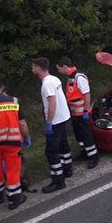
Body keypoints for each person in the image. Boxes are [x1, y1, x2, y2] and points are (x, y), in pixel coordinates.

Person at [31, 57, 72, 193]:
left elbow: (52, 103)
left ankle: (58, 181)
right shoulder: (54, 78)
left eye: (33, 66)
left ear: (38, 67)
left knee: (51, 151)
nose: (32, 69)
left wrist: (49, 123)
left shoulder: (47, 83)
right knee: (63, 144)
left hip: (55, 120)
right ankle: (67, 169)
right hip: (63, 116)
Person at [56, 57, 99, 169]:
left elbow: (87, 94)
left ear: (64, 66)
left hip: (81, 113)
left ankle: (93, 157)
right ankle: (85, 153)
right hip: (75, 113)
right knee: (79, 135)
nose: (58, 71)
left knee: (86, 135)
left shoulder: (78, 77)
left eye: (59, 68)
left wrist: (85, 111)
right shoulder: (71, 77)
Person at [0, 78, 30, 210]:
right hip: (12, 142)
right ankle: (14, 198)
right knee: (12, 170)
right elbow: (22, 124)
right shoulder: (14, 101)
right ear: (2, 87)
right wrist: (26, 137)